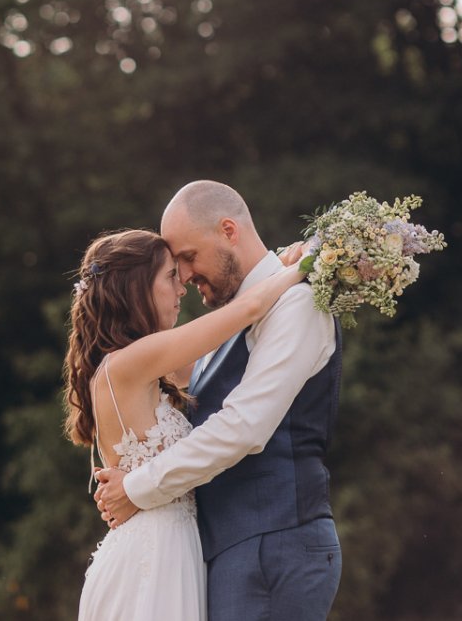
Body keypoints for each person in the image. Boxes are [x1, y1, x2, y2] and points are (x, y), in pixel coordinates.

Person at [95, 181, 343, 621]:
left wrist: (137, 487)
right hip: (225, 553)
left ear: (229, 230)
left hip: (274, 543)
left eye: (187, 258)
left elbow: (243, 427)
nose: (185, 278)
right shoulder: (218, 335)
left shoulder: (297, 304)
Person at [64, 226, 306, 621]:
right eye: (171, 277)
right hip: (153, 553)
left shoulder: (137, 364)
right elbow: (244, 313)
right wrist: (315, 261)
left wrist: (274, 267)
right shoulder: (132, 361)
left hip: (169, 546)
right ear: (136, 287)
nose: (182, 289)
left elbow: (224, 359)